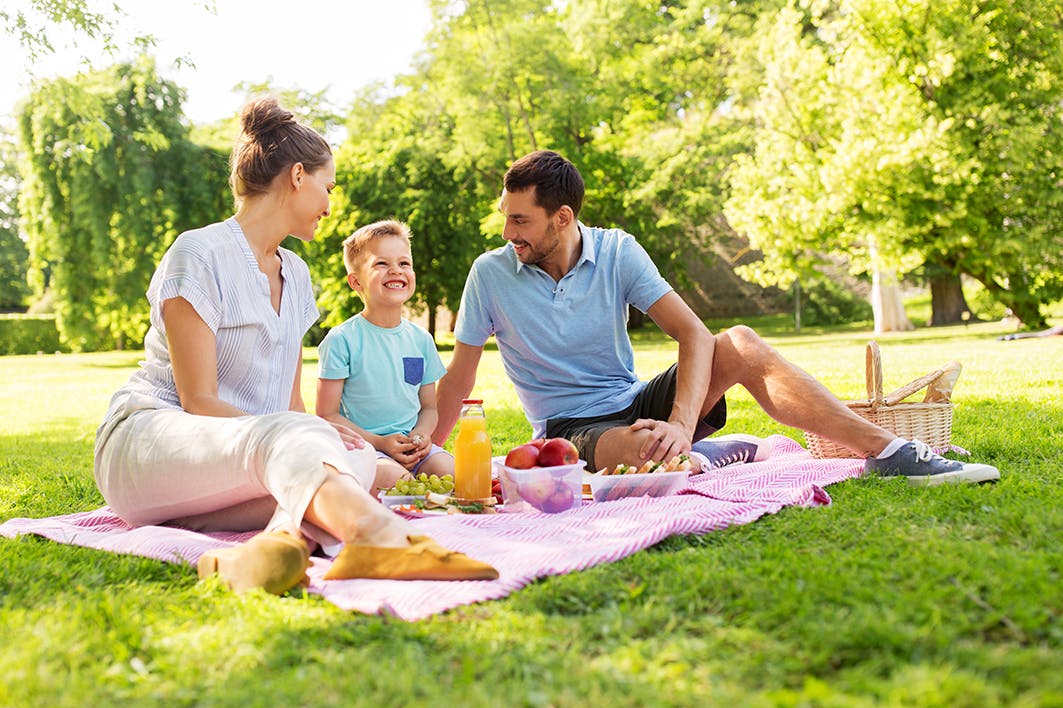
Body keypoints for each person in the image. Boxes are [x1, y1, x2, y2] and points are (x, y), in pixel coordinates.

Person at [93, 98, 497, 596]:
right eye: (327, 188)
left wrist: (331, 437)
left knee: (359, 463)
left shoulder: (296, 273)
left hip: (247, 461)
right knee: (312, 448)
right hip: (150, 444)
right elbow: (199, 402)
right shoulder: (198, 252)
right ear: (298, 176)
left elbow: (290, 405)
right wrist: (304, 430)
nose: (330, 204)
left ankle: (264, 550)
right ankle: (377, 538)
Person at [433, 150, 1000, 487]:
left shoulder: (617, 252)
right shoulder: (491, 273)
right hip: (570, 429)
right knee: (644, 453)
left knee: (742, 342)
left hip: (638, 401)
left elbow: (694, 335)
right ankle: (691, 452)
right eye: (505, 218)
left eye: (520, 221)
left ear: (561, 217)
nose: (508, 234)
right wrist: (425, 453)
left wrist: (680, 420)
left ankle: (891, 452)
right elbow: (460, 378)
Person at [316, 220, 453, 489]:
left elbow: (429, 407)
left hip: (412, 447)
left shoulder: (421, 340)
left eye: (404, 263)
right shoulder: (342, 340)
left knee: (454, 474)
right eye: (381, 264)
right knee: (395, 482)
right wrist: (379, 443)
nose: (396, 271)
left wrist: (421, 436)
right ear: (356, 281)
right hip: (367, 448)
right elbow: (327, 415)